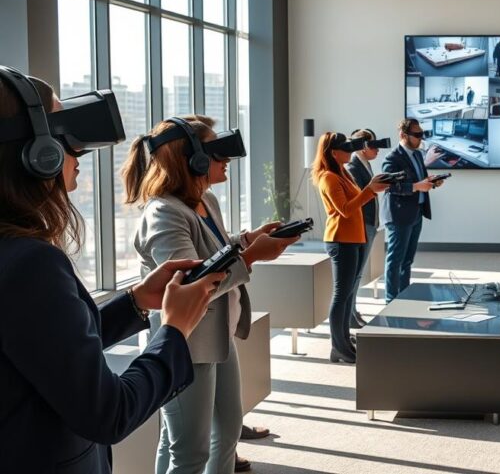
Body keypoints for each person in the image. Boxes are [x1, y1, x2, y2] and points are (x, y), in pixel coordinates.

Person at [0, 68, 221, 474]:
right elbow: (110, 412)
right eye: (63, 136)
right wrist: (174, 330)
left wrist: (135, 303)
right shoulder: (30, 264)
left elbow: (49, 349)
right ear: (39, 153)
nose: (78, 154)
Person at [125, 116, 299, 474]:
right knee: (189, 451)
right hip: (184, 343)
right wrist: (250, 257)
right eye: (218, 152)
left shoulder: (205, 201)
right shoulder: (164, 213)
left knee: (227, 429)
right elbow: (189, 284)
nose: (227, 160)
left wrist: (247, 240)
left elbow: (213, 251)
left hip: (217, 334)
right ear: (195, 159)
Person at [314, 132, 391, 363]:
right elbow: (345, 210)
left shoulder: (343, 173)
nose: (350, 151)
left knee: (347, 294)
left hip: (353, 238)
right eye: (345, 148)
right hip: (341, 240)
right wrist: (370, 190)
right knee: (341, 295)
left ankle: (344, 341)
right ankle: (338, 346)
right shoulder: (329, 177)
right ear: (333, 153)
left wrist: (371, 189)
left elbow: (354, 204)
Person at [381, 118, 445, 303]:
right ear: (403, 135)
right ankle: (391, 300)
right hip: (399, 215)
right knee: (395, 260)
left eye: (422, 134)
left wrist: (432, 182)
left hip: (416, 212)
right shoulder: (392, 158)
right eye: (417, 135)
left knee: (407, 260)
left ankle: (404, 296)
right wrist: (417, 186)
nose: (421, 138)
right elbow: (389, 186)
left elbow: (419, 179)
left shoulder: (417, 155)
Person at [345, 129, 386, 328]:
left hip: (369, 223)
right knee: (355, 273)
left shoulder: (364, 164)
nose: (378, 150)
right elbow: (358, 198)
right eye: (374, 145)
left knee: (358, 273)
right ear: (363, 147)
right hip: (362, 224)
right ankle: (349, 315)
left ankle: (352, 311)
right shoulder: (353, 167)